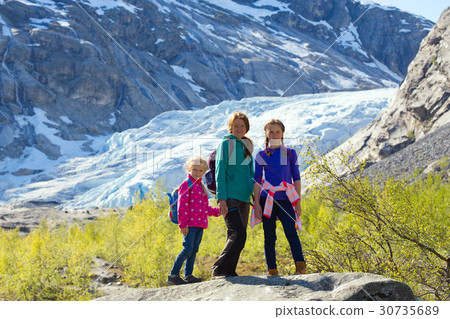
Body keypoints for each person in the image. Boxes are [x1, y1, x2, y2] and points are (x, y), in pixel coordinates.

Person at [253, 119, 306, 276]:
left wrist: (297, 202)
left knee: (291, 231)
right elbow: (257, 180)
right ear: (266, 134)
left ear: (282, 133)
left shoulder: (290, 153)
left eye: (277, 131)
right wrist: (256, 204)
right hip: (267, 198)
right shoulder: (261, 155)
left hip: (286, 198)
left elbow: (296, 177)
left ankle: (300, 267)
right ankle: (272, 270)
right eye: (271, 131)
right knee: (269, 235)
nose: (274, 134)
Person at [212, 112, 254, 278]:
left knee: (236, 235)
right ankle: (218, 269)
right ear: (230, 127)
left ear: (246, 128)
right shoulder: (226, 143)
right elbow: (219, 171)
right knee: (239, 233)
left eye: (242, 126)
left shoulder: (246, 146)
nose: (238, 128)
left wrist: (255, 198)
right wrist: (221, 198)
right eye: (235, 125)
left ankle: (229, 270)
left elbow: (250, 174)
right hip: (230, 197)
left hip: (244, 197)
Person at [168, 157, 220, 285]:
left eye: (200, 170)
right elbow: (182, 206)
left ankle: (188, 275)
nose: (197, 173)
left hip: (199, 224)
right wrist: (183, 224)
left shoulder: (201, 186)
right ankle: (173, 275)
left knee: (193, 250)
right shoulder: (186, 185)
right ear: (189, 169)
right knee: (187, 249)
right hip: (189, 225)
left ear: (204, 172)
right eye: (194, 170)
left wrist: (217, 211)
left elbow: (204, 208)